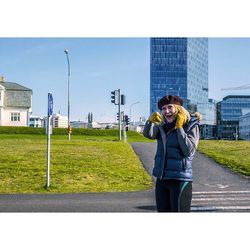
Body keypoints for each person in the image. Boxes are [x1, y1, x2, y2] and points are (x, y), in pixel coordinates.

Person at [143, 95, 201, 212]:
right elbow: (149, 135)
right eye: (164, 108)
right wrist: (149, 121)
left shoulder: (191, 125)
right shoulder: (162, 126)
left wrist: (179, 128)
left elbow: (188, 151)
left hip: (180, 179)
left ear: (178, 109)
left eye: (170, 107)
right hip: (162, 178)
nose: (167, 111)